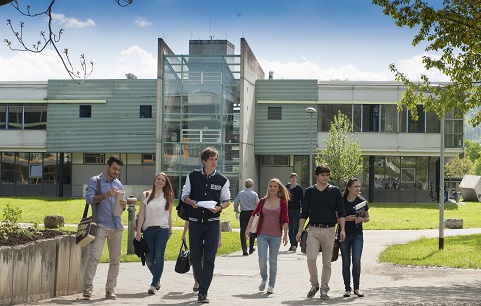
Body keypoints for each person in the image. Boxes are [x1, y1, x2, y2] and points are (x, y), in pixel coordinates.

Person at [181, 146, 231, 303]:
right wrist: (193, 202)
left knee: (209, 258)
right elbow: (184, 196)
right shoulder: (193, 176)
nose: (214, 162)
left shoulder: (222, 180)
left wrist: (220, 207)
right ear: (204, 161)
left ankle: (203, 291)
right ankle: (200, 280)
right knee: (195, 258)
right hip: (195, 222)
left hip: (212, 223)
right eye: (211, 159)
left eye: (216, 159)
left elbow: (227, 201)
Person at [296, 164, 346, 300]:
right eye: (323, 175)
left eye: (327, 175)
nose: (325, 177)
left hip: (329, 230)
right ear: (316, 176)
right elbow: (304, 213)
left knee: (326, 262)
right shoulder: (310, 191)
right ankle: (315, 284)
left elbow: (341, 212)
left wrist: (342, 230)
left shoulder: (335, 191)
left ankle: (324, 289)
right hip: (313, 229)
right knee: (311, 258)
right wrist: (299, 231)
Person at [83, 155, 126, 300]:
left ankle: (110, 290)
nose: (116, 172)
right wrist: (106, 195)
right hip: (100, 225)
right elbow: (89, 199)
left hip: (117, 226)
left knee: (115, 260)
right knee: (94, 257)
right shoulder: (95, 181)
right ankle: (87, 289)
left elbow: (119, 205)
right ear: (107, 167)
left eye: (118, 170)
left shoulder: (118, 184)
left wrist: (123, 206)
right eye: (114, 168)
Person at [245, 178, 289, 295]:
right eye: (270, 186)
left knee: (273, 261)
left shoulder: (282, 202)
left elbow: (285, 219)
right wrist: (248, 229)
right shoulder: (262, 201)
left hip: (276, 236)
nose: (272, 188)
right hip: (262, 235)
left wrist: (285, 235)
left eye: (275, 186)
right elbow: (254, 215)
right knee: (262, 260)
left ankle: (271, 285)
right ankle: (264, 278)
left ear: (278, 188)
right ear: (268, 187)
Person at [135, 172, 174, 294]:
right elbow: (141, 214)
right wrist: (138, 231)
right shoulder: (146, 195)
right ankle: (157, 278)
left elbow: (169, 215)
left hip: (162, 229)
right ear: (155, 180)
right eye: (158, 179)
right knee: (149, 258)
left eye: (163, 180)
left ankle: (153, 284)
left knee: (159, 256)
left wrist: (170, 230)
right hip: (148, 230)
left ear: (165, 183)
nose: (160, 181)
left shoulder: (168, 196)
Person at [339, 177, 370, 298]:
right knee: (346, 262)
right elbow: (335, 218)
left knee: (356, 261)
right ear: (349, 188)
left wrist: (362, 219)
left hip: (357, 235)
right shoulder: (341, 201)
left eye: (359, 186)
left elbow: (367, 218)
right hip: (344, 234)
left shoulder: (362, 202)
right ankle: (347, 289)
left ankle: (357, 288)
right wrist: (345, 219)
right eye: (355, 186)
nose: (358, 189)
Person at [182, 220, 223, 293]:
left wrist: (219, 238)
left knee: (206, 260)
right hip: (196, 231)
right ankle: (197, 281)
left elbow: (218, 220)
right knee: (196, 259)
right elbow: (187, 219)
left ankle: (203, 286)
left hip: (210, 232)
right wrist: (184, 234)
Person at [234, 178, 259, 255]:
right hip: (252, 213)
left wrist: (236, 210)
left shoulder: (241, 193)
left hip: (243, 213)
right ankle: (251, 248)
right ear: (252, 185)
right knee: (252, 230)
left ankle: (244, 249)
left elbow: (236, 203)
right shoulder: (254, 194)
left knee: (243, 230)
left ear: (245, 185)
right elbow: (258, 204)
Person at [286, 173, 303, 252]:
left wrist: (303, 209)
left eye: (295, 177)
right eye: (292, 177)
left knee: (295, 227)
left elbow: (302, 199)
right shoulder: (287, 187)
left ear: (296, 179)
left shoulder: (299, 188)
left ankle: (294, 245)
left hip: (296, 210)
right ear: (290, 178)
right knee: (290, 227)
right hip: (288, 209)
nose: (293, 179)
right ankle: (291, 243)